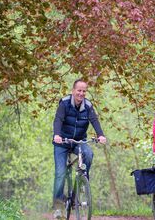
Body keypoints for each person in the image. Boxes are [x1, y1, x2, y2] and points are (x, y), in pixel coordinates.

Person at [51, 79, 107, 218]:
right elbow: (58, 119)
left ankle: (82, 180)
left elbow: (94, 120)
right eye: (79, 90)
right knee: (60, 173)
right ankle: (58, 207)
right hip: (62, 142)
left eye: (84, 91)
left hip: (78, 141)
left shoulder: (88, 106)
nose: (81, 93)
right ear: (73, 91)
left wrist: (101, 135)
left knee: (88, 153)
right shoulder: (64, 103)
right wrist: (57, 135)